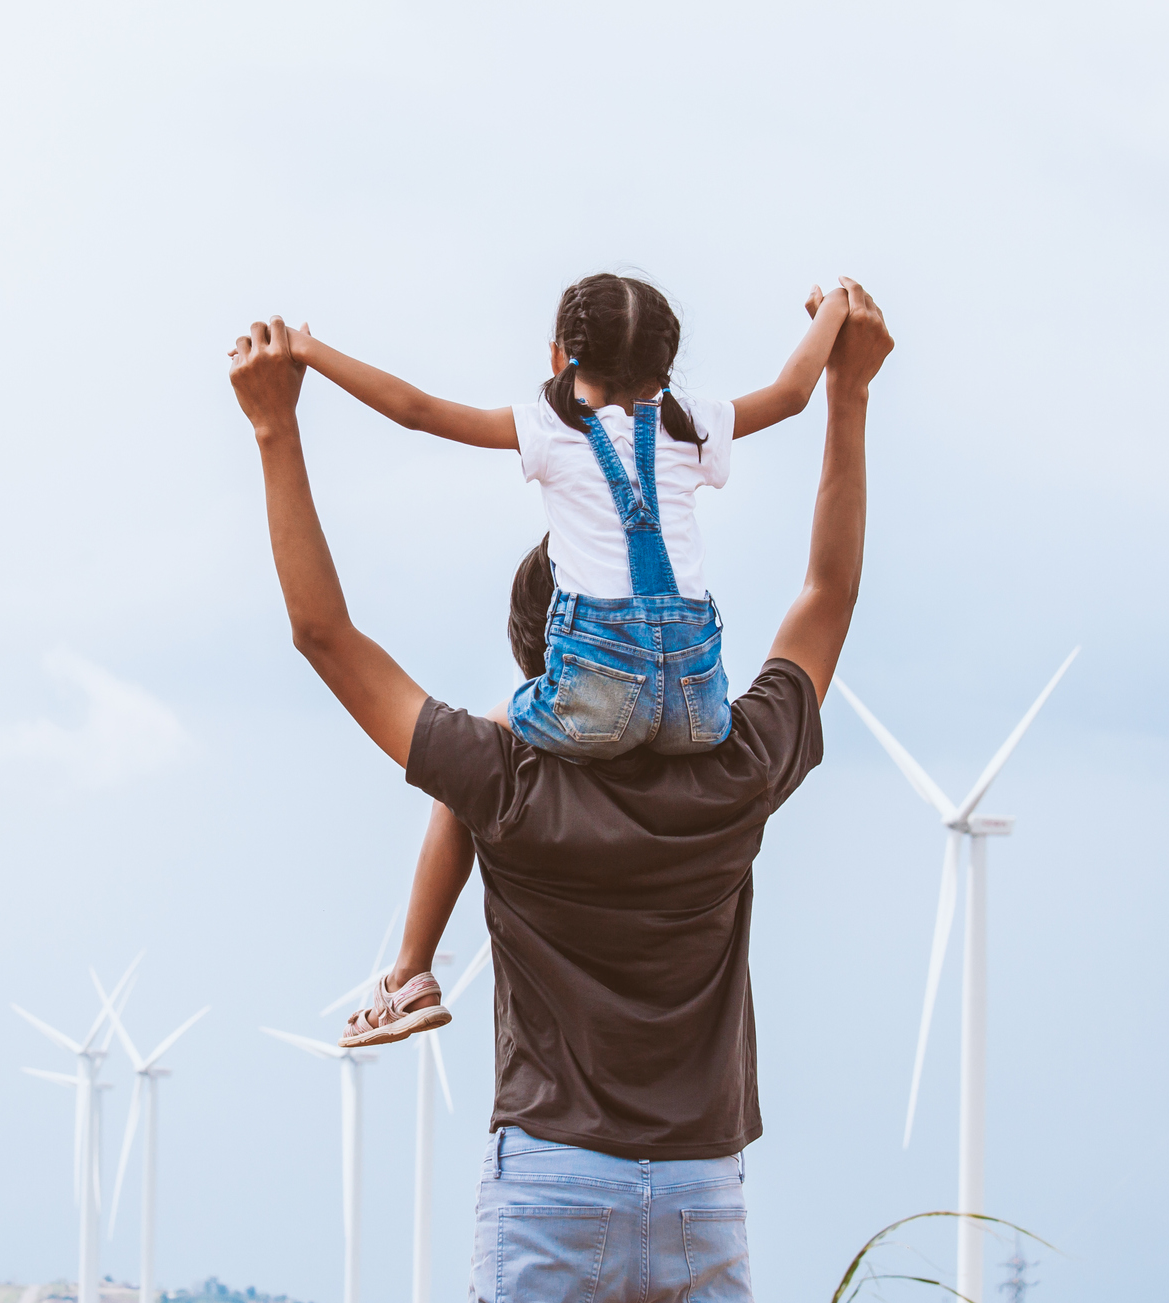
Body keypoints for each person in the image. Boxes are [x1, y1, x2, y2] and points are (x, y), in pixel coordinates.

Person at [227, 281, 892, 1303]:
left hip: (548, 1184)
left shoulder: (505, 779)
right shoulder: (736, 768)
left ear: (539, 657)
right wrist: (848, 397)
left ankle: (405, 975)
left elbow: (325, 636)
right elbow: (826, 594)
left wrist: (277, 428)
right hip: (699, 1190)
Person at [286, 274, 850, 1046]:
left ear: (558, 358)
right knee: (503, 738)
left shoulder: (549, 431)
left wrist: (312, 353)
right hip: (697, 704)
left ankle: (409, 972)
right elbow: (792, 393)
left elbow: (415, 412)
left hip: (597, 691)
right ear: (668, 366)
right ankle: (410, 971)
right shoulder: (692, 426)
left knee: (480, 741)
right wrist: (835, 316)